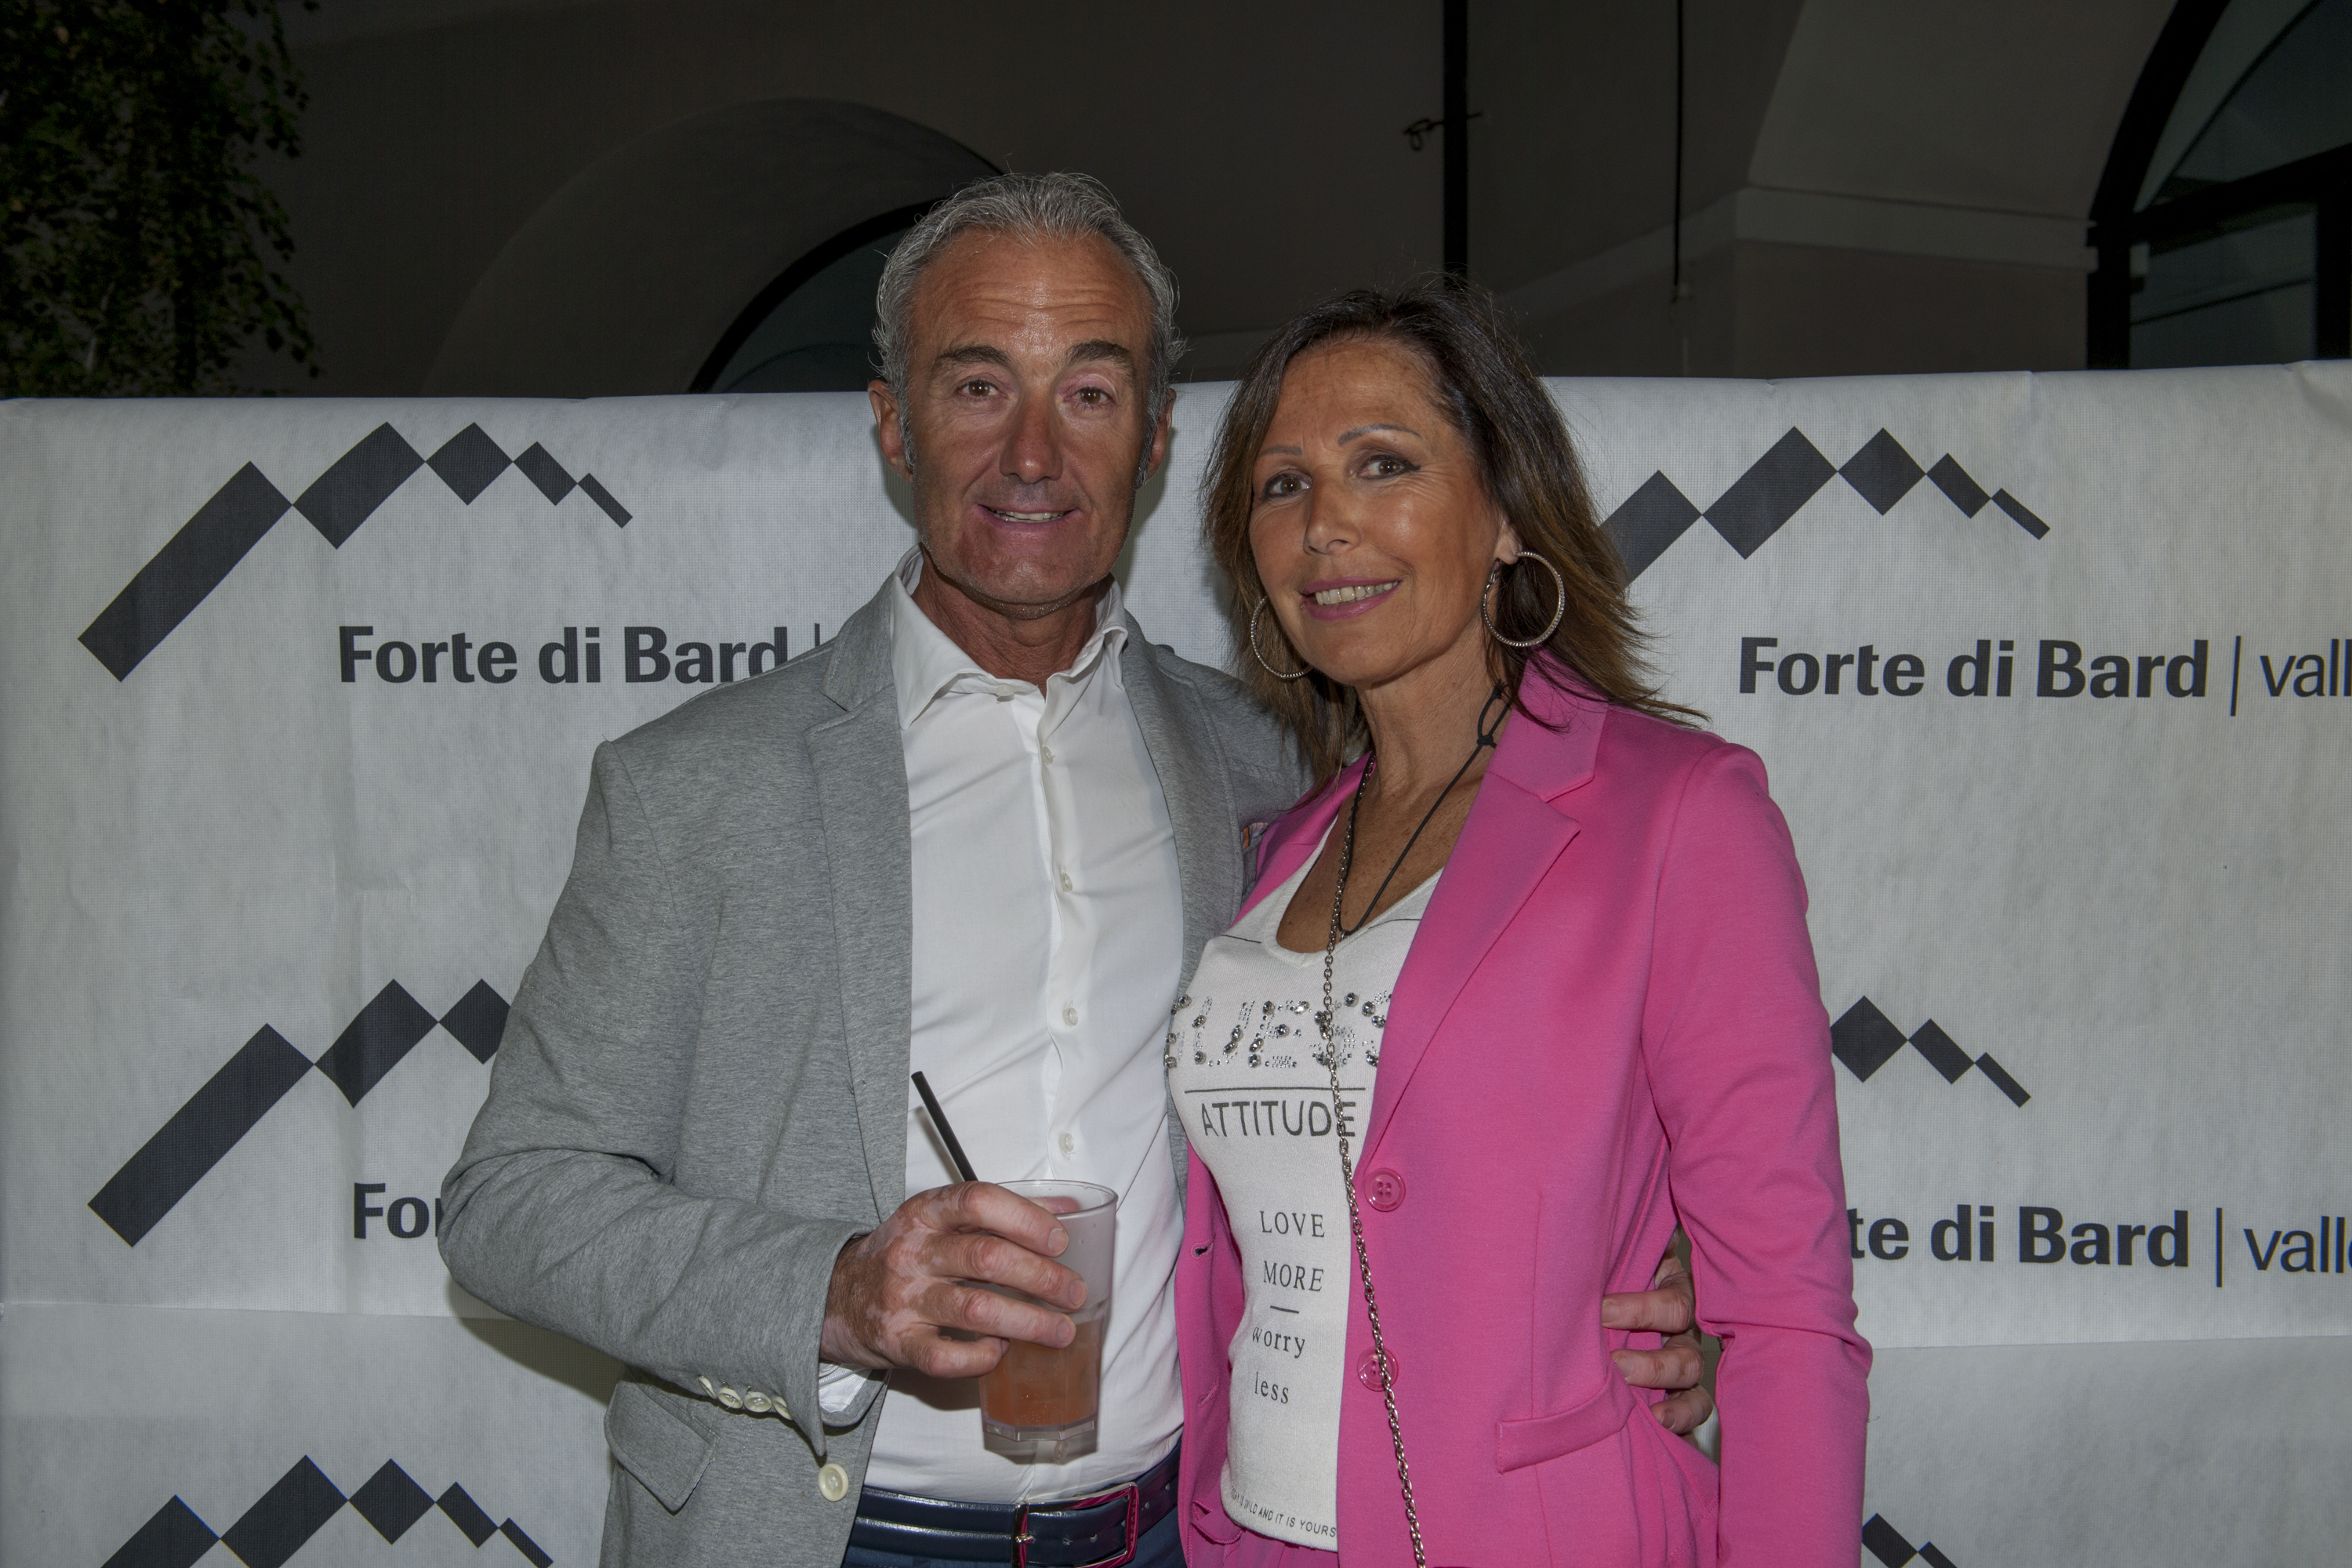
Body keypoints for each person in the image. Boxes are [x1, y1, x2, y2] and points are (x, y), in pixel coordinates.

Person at [438, 173, 1710, 1568]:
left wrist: (1650, 1291)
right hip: (819, 1537)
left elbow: (1437, 1105)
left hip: (1170, 1535)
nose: (1034, 453)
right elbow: (513, 1200)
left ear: (1155, 439)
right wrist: (837, 1292)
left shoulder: (1274, 770)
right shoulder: (693, 787)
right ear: (894, 424)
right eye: (979, 386)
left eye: (1090, 393)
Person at [1171, 282, 1868, 1567]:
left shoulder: (1677, 815)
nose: (1325, 523)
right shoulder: (1281, 848)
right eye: (1283, 485)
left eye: (1383, 464)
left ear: (1504, 512)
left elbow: (1786, 1313)